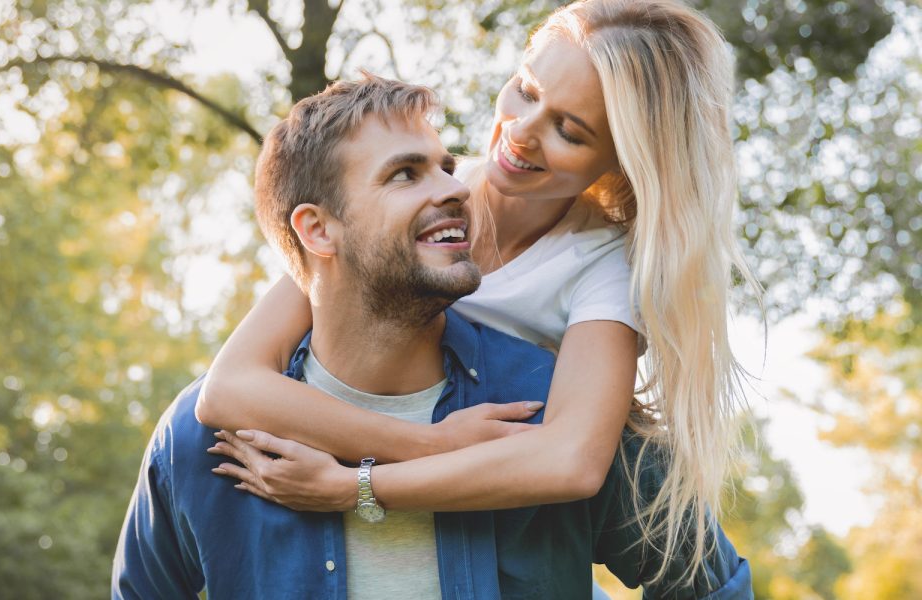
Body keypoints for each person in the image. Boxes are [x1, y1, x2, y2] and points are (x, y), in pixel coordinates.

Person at [114, 73, 750, 599]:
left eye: (446, 166)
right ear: (317, 231)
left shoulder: (550, 411)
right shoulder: (202, 439)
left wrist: (357, 485)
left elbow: (712, 584)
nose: (457, 188)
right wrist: (427, 446)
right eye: (405, 175)